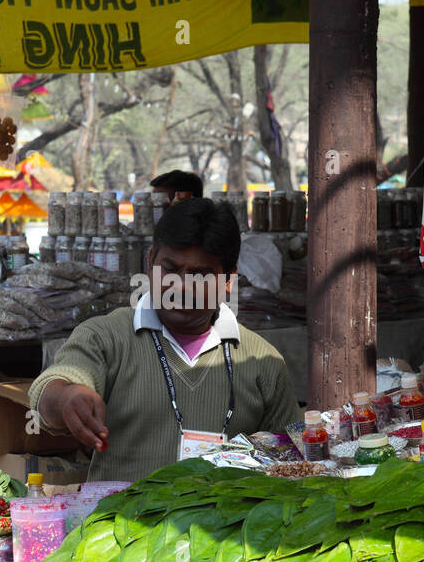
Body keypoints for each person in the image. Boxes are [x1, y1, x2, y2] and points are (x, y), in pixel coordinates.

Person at [30, 197, 300, 482]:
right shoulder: (105, 336)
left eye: (200, 274)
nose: (181, 286)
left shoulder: (262, 360)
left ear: (228, 280)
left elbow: (290, 460)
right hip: (121, 524)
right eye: (170, 269)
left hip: (218, 524)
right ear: (150, 263)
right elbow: (52, 388)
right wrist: (67, 398)